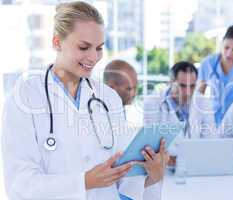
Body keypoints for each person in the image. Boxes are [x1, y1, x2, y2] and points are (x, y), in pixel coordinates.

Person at [1, 2, 162, 200]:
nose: (94, 57)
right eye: (84, 47)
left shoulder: (108, 98)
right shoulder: (25, 97)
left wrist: (150, 176)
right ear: (57, 42)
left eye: (99, 48)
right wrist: (84, 181)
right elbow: (19, 183)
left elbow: (122, 179)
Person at [103, 59, 169, 199]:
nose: (133, 93)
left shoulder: (121, 115)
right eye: (129, 88)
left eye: (135, 87)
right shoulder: (101, 119)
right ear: (111, 88)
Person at [143, 61, 213, 166]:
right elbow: (149, 143)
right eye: (182, 86)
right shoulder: (153, 103)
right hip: (163, 169)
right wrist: (165, 157)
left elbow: (210, 139)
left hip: (194, 165)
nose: (188, 92)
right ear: (171, 82)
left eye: (192, 86)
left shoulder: (203, 102)